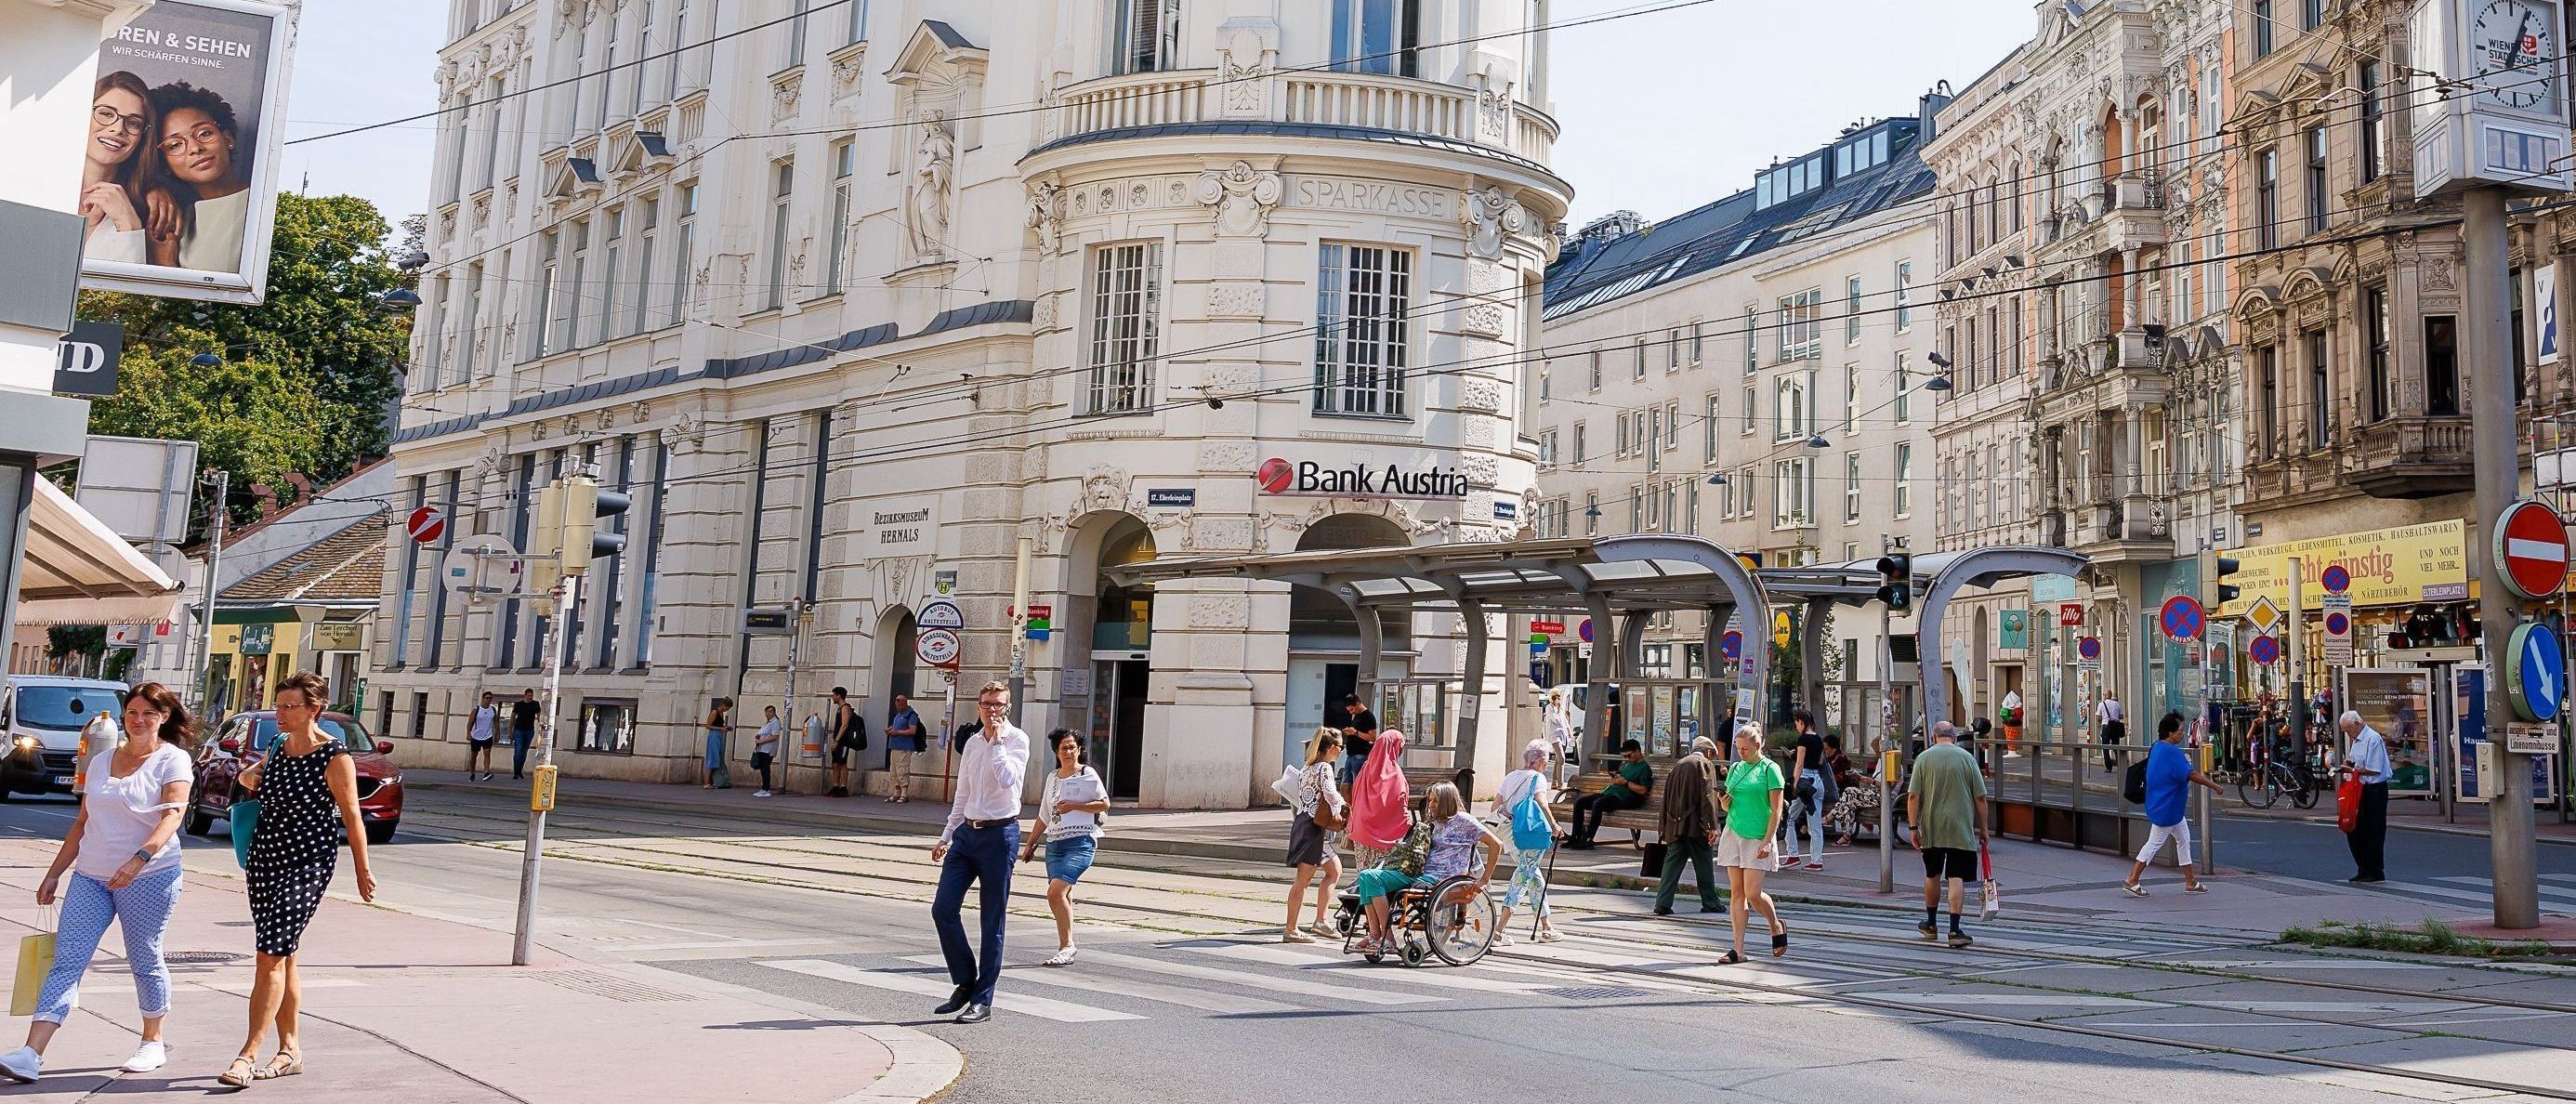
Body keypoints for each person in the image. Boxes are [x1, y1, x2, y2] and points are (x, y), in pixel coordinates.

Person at [0, 682, 194, 1083]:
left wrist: (139, 859)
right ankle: (31, 1053)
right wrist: (55, 872)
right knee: (67, 960)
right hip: (91, 875)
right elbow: (83, 822)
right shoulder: (103, 760)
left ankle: (152, 1041)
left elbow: (172, 817)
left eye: (148, 715)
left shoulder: (173, 760)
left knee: (143, 956)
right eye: (132, 714)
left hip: (149, 876)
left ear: (164, 717)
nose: (139, 721)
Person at [223, 672, 377, 1086]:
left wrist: (362, 869)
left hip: (308, 863)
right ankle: (290, 1050)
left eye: (289, 707)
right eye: (278, 706)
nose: (281, 714)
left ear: (314, 709)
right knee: (284, 954)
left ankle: (247, 1055)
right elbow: (249, 777)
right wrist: (249, 777)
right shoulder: (275, 746)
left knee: (268, 954)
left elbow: (351, 814)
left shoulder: (334, 757)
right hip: (264, 859)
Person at [928, 682, 1029, 1024]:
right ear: (978, 706)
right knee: (942, 910)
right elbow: (963, 792)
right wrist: (946, 834)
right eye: (987, 704)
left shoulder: (1017, 740)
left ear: (1008, 707)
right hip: (967, 835)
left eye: (999, 705)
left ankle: (983, 1000)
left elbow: (1007, 781)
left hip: (1000, 835)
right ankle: (965, 980)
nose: (992, 710)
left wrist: (998, 741)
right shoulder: (971, 742)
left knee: (992, 919)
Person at [1353, 783, 1503, 955]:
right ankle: (1375, 934)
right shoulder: (1434, 821)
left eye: (1435, 801)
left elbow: (1496, 844)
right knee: (1367, 876)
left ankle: (1388, 939)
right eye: (1430, 800)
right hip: (1419, 871)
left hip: (1443, 878)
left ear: (1447, 801)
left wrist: (1484, 879)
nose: (1430, 804)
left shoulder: (1464, 821)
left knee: (1375, 879)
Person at [142, 83, 252, 271]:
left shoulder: (260, 206)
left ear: (228, 139)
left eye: (204, 133)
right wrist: (150, 188)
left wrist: (166, 266)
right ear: (165, 164)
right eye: (175, 145)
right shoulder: (176, 220)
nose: (195, 148)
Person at [1019, 729, 1107, 966]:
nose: (1068, 752)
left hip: (1081, 841)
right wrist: (1030, 842)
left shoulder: (1088, 773)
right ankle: (1066, 945)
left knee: (1055, 893)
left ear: (1079, 749)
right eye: (1063, 748)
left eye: (1072, 747)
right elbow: (1044, 815)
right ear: (1056, 752)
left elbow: (1104, 803)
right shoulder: (1052, 777)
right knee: (1064, 895)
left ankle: (1067, 947)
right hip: (1055, 843)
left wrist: (1075, 805)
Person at [1907, 721, 1988, 950]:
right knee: (1956, 877)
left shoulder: (1923, 758)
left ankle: (1931, 925)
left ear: (1934, 737)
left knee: (1932, 874)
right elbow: (1980, 798)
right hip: (1960, 827)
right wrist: (1983, 829)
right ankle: (1954, 929)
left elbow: (1913, 797)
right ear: (1953, 737)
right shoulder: (1966, 758)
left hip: (1932, 826)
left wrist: (1913, 828)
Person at [2123, 711, 2222, 897]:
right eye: (2180, 730)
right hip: (2166, 808)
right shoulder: (2172, 752)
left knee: (2183, 839)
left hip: (2166, 806)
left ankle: (2190, 882)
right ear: (2170, 732)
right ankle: (2132, 878)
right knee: (2154, 843)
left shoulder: (2158, 747)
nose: (2183, 733)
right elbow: (2191, 774)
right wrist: (2214, 786)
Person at [1716, 723, 1790, 962]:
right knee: (1737, 893)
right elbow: (1728, 803)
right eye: (1738, 748)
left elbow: (1776, 809)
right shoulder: (1736, 768)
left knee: (1753, 893)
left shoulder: (1770, 769)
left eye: (1745, 748)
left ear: (1758, 746)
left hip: (1758, 836)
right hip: (1734, 832)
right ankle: (1738, 949)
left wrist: (1768, 841)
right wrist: (1724, 804)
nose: (1741, 752)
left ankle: (1775, 924)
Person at [79, 72, 156, 264]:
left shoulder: (149, 212)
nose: (118, 129)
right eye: (106, 113)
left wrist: (129, 225)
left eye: (133, 123)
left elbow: (132, 291)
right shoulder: (37, 189)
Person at [1491, 740, 1562, 944]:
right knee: (1522, 878)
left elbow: (1496, 806)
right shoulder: (1537, 778)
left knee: (1534, 878)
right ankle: (1498, 930)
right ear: (1539, 760)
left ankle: (1547, 927)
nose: (1547, 764)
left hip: (1511, 837)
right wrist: (1555, 825)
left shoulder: (1511, 776)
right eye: (1547, 759)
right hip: (1531, 835)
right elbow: (1541, 802)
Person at [1281, 728, 1347, 943]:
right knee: (1303, 880)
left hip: (1308, 825)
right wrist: (1343, 807)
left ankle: (1321, 920)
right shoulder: (1324, 768)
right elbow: (1329, 793)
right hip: (1311, 828)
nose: (1341, 751)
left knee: (1334, 870)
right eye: (1340, 747)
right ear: (1330, 748)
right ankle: (1291, 929)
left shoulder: (1308, 767)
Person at [1652, 737, 1724, 918]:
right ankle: (1710, 902)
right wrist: (1711, 826)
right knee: (1704, 862)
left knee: (1672, 864)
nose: (1712, 759)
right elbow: (1708, 798)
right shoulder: (1704, 764)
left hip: (1674, 825)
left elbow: (1665, 797)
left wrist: (1663, 826)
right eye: (1712, 755)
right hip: (1695, 827)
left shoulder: (1678, 765)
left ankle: (1662, 903)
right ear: (1708, 752)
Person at [1566, 739, 1651, 848]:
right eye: (1624, 757)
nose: (1627, 759)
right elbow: (1623, 779)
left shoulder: (1644, 768)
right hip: (1612, 794)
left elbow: (1643, 790)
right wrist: (1616, 779)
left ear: (1637, 751)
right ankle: (1575, 837)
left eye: (1629, 756)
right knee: (1580, 802)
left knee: (1598, 804)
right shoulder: (1627, 764)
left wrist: (1625, 783)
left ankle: (1588, 838)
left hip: (1626, 798)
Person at [1344, 728, 1411, 870]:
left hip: (1362, 833)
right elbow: (1400, 804)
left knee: (1364, 876)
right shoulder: (1394, 774)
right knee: (1380, 879)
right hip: (1386, 838)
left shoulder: (1366, 768)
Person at [2339, 710, 2391, 883]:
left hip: (2374, 789)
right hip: (2360, 788)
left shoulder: (2373, 739)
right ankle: (2362, 867)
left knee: (2373, 830)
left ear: (2357, 723)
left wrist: (2352, 770)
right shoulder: (2357, 740)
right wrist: (2347, 764)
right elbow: (2354, 760)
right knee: (2355, 829)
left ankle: (2375, 870)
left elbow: (2374, 768)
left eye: (2348, 730)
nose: (2348, 734)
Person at [1780, 707, 1834, 872]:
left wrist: (1795, 783)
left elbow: (1800, 763)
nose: (1796, 726)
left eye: (1797, 722)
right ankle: (1817, 861)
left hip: (1805, 782)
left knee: (1788, 817)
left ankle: (1793, 855)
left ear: (1801, 722)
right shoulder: (1818, 738)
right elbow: (1820, 761)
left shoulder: (1803, 740)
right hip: (1817, 782)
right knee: (1815, 824)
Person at [885, 693, 925, 803]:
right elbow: (897, 725)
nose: (897, 707)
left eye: (898, 705)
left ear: (904, 704)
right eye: (896, 705)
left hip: (904, 747)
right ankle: (896, 793)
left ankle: (904, 794)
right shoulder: (898, 715)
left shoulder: (911, 715)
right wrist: (890, 729)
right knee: (894, 771)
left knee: (902, 770)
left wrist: (897, 732)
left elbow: (912, 730)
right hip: (894, 746)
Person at [826, 687, 864, 798]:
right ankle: (835, 786)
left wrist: (837, 740)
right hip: (838, 740)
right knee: (835, 763)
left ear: (839, 696)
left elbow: (845, 725)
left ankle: (843, 788)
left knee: (842, 763)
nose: (833, 697)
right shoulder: (840, 708)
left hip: (843, 741)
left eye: (834, 695)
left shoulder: (845, 708)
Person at [1338, 694, 1379, 783]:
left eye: (1352, 709)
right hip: (1351, 754)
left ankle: (1357, 797)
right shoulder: (1357, 716)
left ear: (1357, 704)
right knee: (1345, 784)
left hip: (1360, 755)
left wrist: (1355, 733)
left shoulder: (1369, 717)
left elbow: (1373, 738)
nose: (1351, 712)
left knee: (1357, 783)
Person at [466, 691, 499, 782]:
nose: (489, 700)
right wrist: (468, 733)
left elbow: (495, 722)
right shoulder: (477, 710)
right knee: (474, 756)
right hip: (476, 736)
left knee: (487, 753)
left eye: (490, 698)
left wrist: (497, 733)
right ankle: (472, 773)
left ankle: (486, 772)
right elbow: (470, 723)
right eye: (487, 698)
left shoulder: (493, 709)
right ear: (483, 699)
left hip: (488, 735)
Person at [702, 698, 734, 790]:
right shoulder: (715, 712)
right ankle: (706, 782)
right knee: (712, 758)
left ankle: (713, 781)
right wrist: (721, 729)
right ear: (723, 705)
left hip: (718, 736)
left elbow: (718, 725)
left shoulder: (721, 713)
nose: (726, 710)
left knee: (717, 758)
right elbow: (708, 726)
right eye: (726, 708)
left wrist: (725, 727)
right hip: (713, 736)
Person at [751, 705, 783, 797]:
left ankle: (766, 788)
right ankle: (764, 788)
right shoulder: (767, 723)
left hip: (768, 750)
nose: (768, 713)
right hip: (762, 749)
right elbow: (764, 733)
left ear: (774, 713)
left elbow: (774, 736)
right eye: (766, 712)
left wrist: (761, 741)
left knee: (765, 768)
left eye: (770, 712)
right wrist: (758, 736)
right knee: (763, 768)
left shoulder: (775, 722)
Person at [510, 690, 540, 780]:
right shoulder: (519, 704)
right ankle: (516, 772)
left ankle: (519, 771)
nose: (530, 697)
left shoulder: (535, 704)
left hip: (529, 730)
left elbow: (539, 715)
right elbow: (513, 716)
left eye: (532, 696)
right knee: (518, 750)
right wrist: (510, 729)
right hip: (519, 729)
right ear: (525, 695)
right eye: (529, 695)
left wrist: (541, 723)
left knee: (524, 751)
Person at [2097, 690, 2127, 772]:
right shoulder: (2116, 704)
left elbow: (2098, 718)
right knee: (2116, 746)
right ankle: (2120, 765)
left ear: (2105, 695)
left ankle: (2108, 767)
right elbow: (2121, 716)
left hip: (2106, 726)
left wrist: (2104, 719)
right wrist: (2115, 716)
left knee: (2105, 747)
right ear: (2111, 696)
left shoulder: (2101, 704)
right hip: (2115, 727)